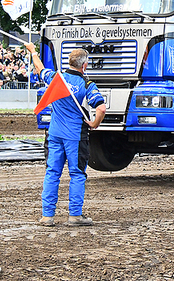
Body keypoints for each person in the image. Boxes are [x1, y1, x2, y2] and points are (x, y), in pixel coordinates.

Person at [26, 42, 106, 227]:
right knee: (77, 174)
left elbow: (40, 69)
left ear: (69, 62)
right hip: (75, 136)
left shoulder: (56, 78)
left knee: (52, 172)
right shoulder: (87, 84)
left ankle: (47, 216)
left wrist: (33, 52)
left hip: (54, 133)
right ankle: (75, 215)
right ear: (84, 65)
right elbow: (101, 108)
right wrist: (94, 123)